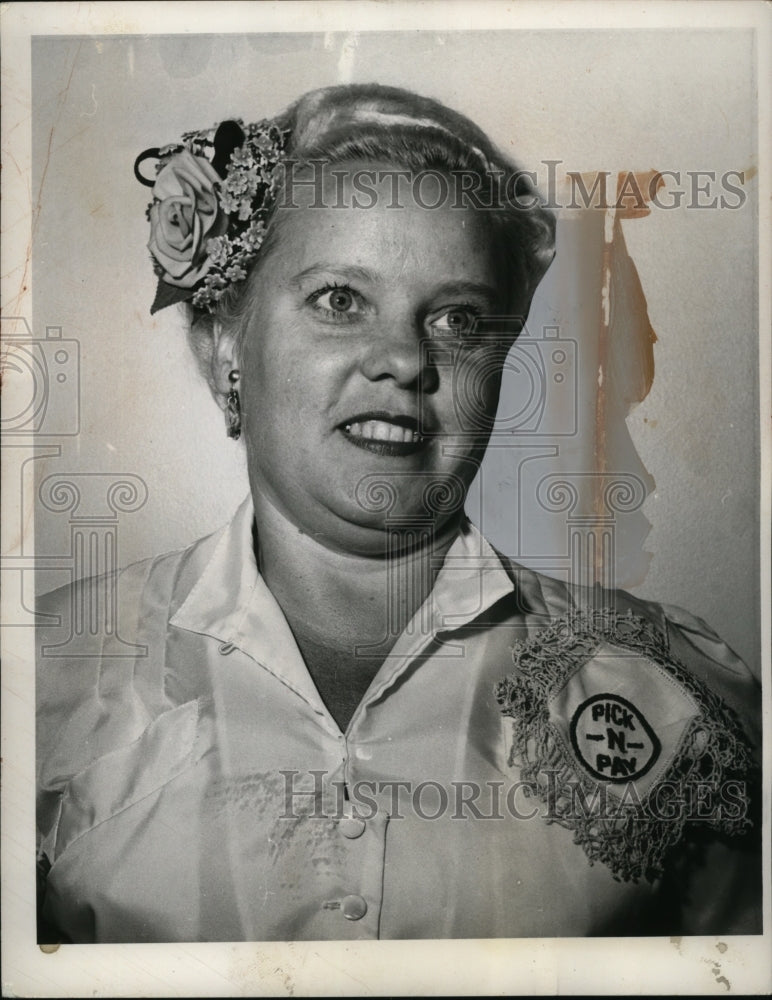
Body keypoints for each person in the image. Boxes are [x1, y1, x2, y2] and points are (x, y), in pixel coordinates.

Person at [36, 83, 761, 943]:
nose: (404, 360)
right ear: (224, 343)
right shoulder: (45, 680)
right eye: (341, 300)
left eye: (457, 318)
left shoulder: (662, 689)